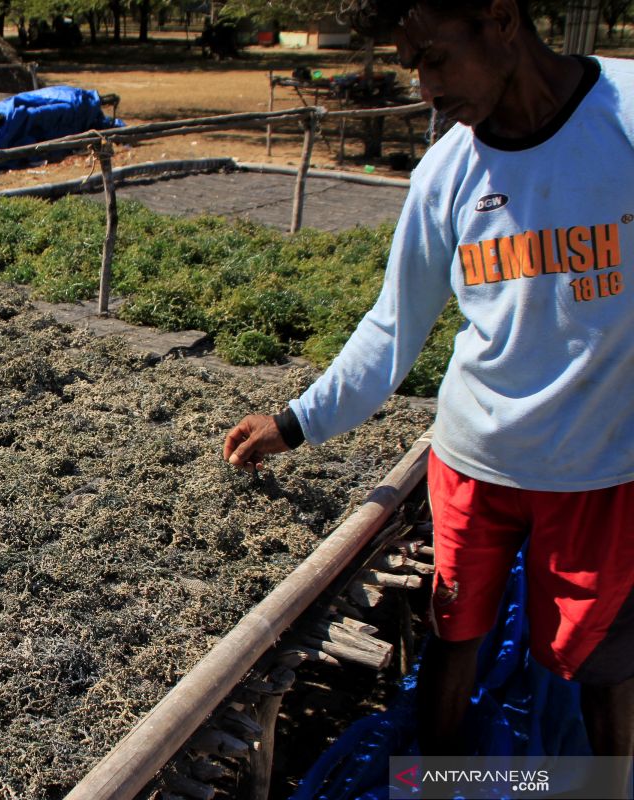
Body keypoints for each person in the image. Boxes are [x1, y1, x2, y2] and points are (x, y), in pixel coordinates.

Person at [221, 0, 634, 762]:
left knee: (600, 666)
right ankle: (447, 784)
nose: (425, 86)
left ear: (502, 20)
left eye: (436, 58)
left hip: (598, 469)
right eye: (413, 63)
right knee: (454, 636)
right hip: (476, 459)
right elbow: (393, 324)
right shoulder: (448, 170)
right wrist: (294, 421)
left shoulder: (624, 117)